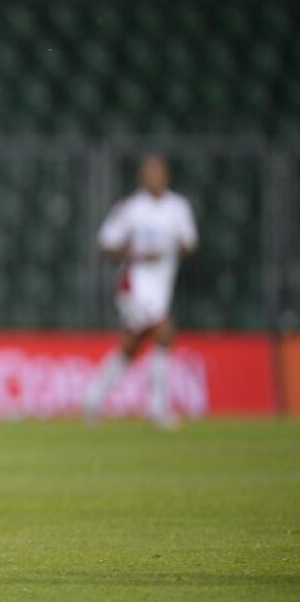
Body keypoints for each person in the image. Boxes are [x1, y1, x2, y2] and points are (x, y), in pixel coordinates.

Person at [83, 154, 197, 429]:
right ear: (141, 177)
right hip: (134, 285)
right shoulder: (130, 208)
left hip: (161, 287)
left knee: (131, 346)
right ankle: (157, 408)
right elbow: (105, 245)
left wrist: (175, 249)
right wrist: (137, 253)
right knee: (164, 331)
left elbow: (190, 244)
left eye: (159, 172)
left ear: (166, 176)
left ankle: (93, 399)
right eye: (149, 172)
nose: (154, 177)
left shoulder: (178, 207)